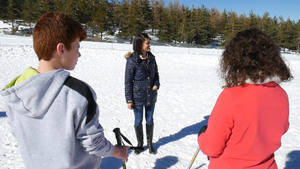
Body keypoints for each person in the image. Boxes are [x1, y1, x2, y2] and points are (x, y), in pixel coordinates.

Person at [1, 12, 128, 169]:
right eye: (76, 47)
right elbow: (93, 143)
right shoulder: (78, 94)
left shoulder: (16, 92)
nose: (79, 54)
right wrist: (117, 152)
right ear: (61, 49)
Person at [198, 28, 293, 169]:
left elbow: (211, 147)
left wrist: (202, 135)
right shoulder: (281, 94)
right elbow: (282, 128)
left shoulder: (231, 96)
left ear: (235, 60)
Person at [124, 33, 160, 154]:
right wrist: (129, 100)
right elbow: (128, 81)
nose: (150, 45)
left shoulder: (152, 58)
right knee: (138, 120)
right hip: (137, 97)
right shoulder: (132, 60)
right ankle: (140, 144)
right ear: (140, 44)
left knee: (149, 120)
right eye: (147, 43)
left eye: (149, 42)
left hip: (151, 95)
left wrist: (156, 84)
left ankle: (150, 144)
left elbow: (157, 74)